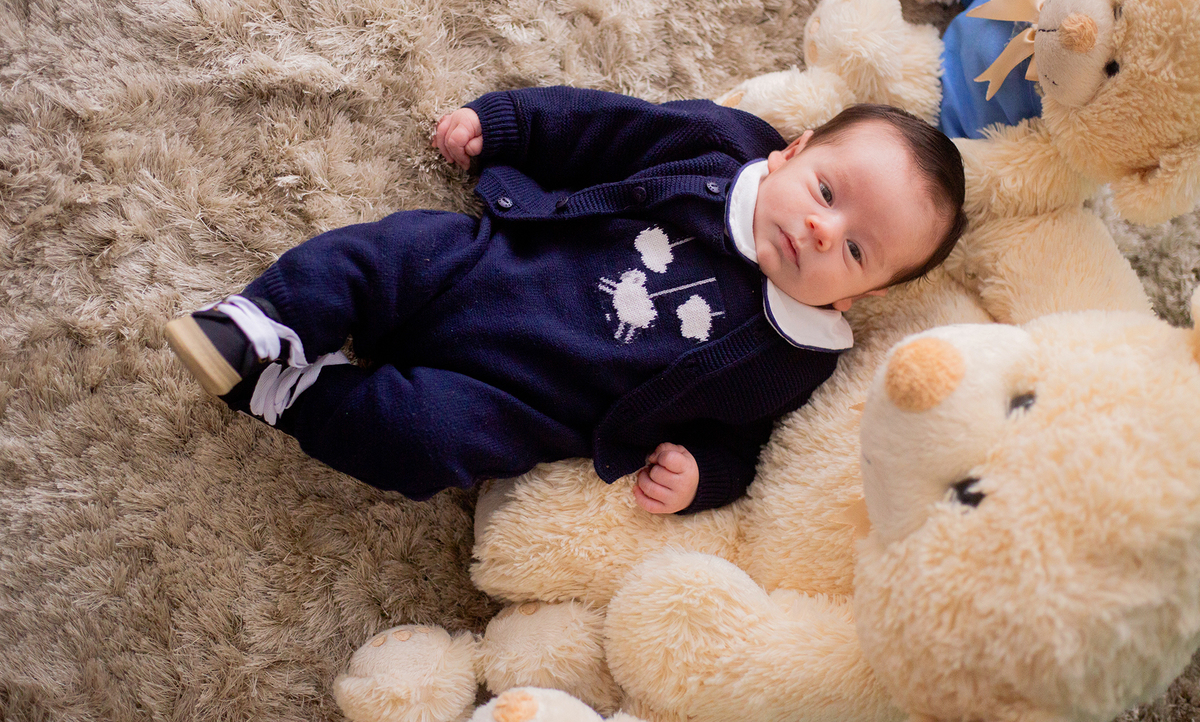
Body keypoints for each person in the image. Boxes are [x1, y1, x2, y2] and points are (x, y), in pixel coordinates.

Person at [166, 87, 966, 515]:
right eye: (826, 190)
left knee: (419, 441)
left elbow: (745, 446)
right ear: (791, 152)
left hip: (517, 404)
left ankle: (293, 393)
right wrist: (507, 125)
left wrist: (701, 478)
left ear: (865, 294)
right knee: (384, 254)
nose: (824, 232)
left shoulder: (790, 356)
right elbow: (608, 127)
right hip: (497, 263)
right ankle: (261, 322)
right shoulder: (720, 151)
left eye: (857, 250)